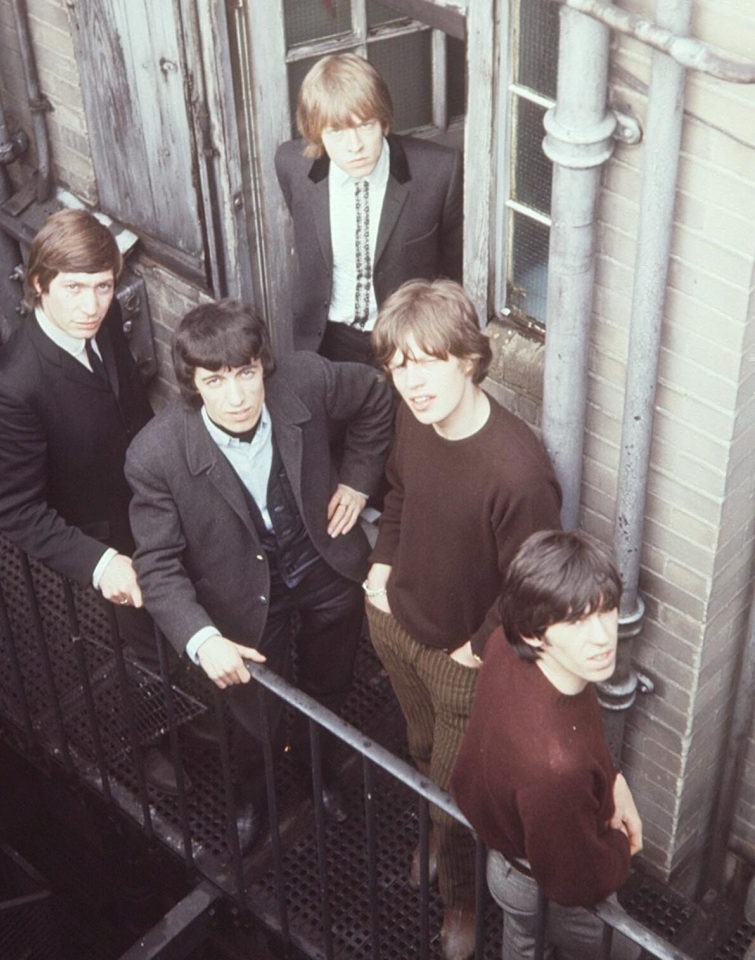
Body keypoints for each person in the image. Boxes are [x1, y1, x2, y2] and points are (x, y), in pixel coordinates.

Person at [125, 299, 393, 852]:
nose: (239, 395)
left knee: (328, 686)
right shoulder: (155, 455)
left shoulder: (306, 379)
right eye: (216, 380)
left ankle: (319, 778)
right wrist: (202, 640)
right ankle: (255, 796)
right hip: (239, 598)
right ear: (193, 384)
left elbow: (376, 396)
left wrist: (358, 480)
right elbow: (156, 563)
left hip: (321, 565)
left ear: (263, 366)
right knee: (254, 713)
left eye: (247, 374)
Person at [364, 279, 562, 960]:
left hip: (459, 662)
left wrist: (475, 650)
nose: (411, 384)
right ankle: (435, 842)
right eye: (398, 366)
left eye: (427, 361)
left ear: (469, 359)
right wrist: (382, 568)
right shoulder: (413, 422)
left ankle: (460, 906)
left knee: (456, 796)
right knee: (420, 755)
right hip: (397, 626)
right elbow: (395, 491)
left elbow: (530, 586)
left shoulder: (517, 472)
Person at [0, 209, 183, 794]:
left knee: (169, 628)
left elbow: (130, 407)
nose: (91, 304)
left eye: (103, 286)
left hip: (142, 505)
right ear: (40, 284)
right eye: (74, 288)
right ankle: (146, 743)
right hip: (94, 539)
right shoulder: (17, 386)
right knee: (132, 651)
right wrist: (100, 562)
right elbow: (15, 510)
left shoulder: (102, 321)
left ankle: (185, 716)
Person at [451, 529, 644, 960]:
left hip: (507, 857)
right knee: (625, 951)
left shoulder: (509, 645)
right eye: (576, 621)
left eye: (607, 611)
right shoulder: (556, 770)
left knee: (523, 941)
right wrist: (620, 849)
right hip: (540, 877)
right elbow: (576, 882)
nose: (602, 638)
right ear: (535, 632)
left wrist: (613, 780)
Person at [275, 52, 462, 366]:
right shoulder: (291, 164)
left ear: (384, 121)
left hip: (407, 343)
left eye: (365, 126)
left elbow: (455, 273)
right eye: (336, 132)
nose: (354, 146)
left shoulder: (440, 171)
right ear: (316, 131)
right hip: (325, 341)